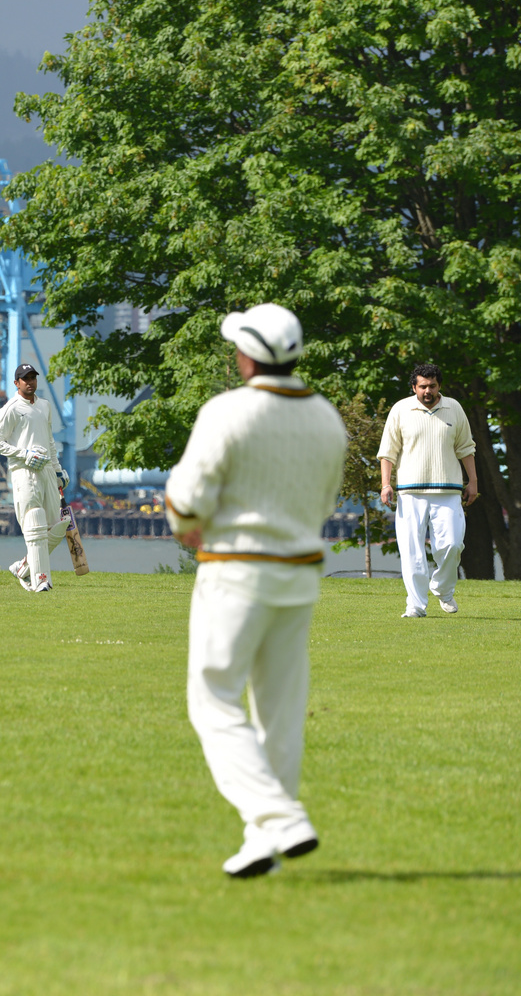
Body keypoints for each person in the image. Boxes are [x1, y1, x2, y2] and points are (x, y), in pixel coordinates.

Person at [164, 303, 347, 878]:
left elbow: (188, 500)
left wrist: (184, 522)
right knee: (280, 711)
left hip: (237, 571)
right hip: (299, 574)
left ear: (247, 356)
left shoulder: (229, 412)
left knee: (213, 698)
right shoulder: (326, 417)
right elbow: (323, 503)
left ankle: (280, 816)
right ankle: (262, 844)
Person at [378, 364, 478, 617]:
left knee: (453, 545)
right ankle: (416, 606)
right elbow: (388, 451)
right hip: (410, 492)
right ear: (414, 387)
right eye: (422, 386)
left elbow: (466, 447)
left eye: (432, 386)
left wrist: (473, 482)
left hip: (448, 490)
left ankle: (442, 588)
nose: (428, 391)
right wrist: (386, 484)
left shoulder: (453, 408)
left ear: (439, 386)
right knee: (411, 551)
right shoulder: (401, 409)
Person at [0, 362, 71, 592]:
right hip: (24, 470)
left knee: (58, 525)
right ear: (17, 383)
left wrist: (57, 470)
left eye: (33, 377)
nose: (30, 382)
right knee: (34, 520)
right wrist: (24, 454)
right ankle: (41, 579)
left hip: (45, 469)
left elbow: (50, 442)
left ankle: (23, 567)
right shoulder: (11, 408)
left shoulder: (44, 406)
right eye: (25, 379)